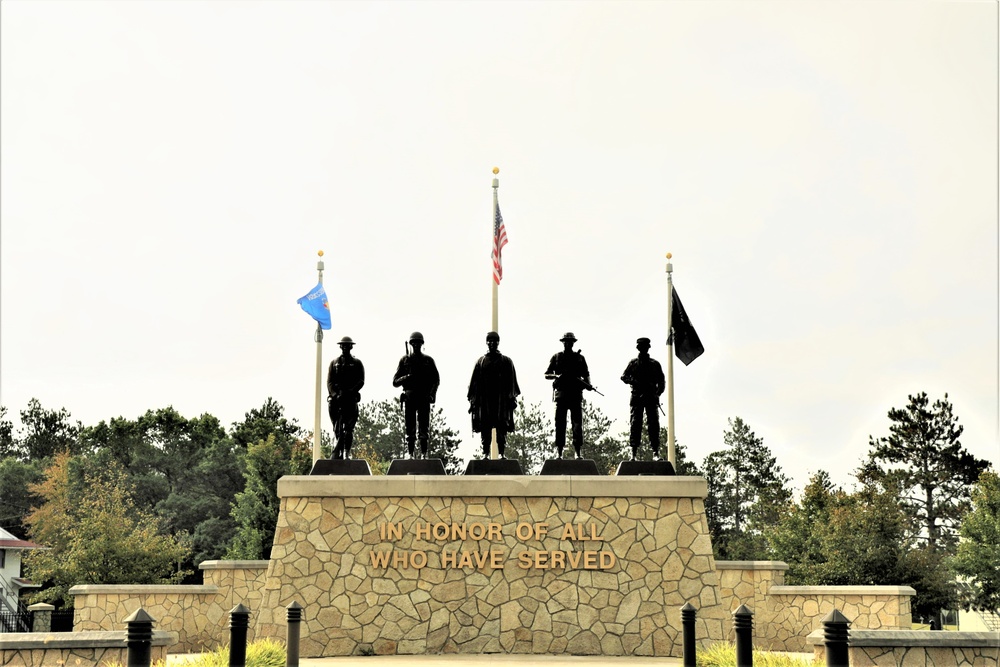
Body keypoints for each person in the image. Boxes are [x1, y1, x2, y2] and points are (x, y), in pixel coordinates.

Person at [468, 331, 521, 459]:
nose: (492, 343)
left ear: (498, 342)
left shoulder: (506, 361)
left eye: (495, 341)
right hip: (485, 400)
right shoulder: (480, 362)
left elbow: (512, 382)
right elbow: (473, 384)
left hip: (500, 401)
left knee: (501, 427)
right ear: (486, 343)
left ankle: (502, 453)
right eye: (490, 340)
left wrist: (511, 397)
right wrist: (473, 401)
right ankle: (485, 453)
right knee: (485, 428)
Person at [392, 331, 440, 459]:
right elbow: (395, 381)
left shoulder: (428, 361)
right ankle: (411, 453)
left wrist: (432, 394)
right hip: (410, 397)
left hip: (423, 396)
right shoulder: (405, 360)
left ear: (422, 344)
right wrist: (406, 377)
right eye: (414, 343)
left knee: (424, 427)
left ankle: (424, 453)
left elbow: (436, 380)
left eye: (418, 343)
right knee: (410, 427)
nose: (416, 345)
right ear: (411, 344)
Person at [544, 332, 592, 459]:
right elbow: (547, 374)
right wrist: (556, 376)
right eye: (566, 341)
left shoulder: (580, 358)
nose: (568, 343)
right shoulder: (556, 357)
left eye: (570, 342)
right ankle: (559, 452)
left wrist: (588, 384)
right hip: (561, 395)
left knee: (577, 425)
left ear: (573, 343)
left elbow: (586, 374)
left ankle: (577, 452)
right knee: (560, 424)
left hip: (575, 395)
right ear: (563, 342)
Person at [621, 337, 665, 461]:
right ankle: (633, 453)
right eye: (641, 347)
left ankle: (655, 452)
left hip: (650, 397)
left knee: (654, 425)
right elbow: (624, 376)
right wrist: (633, 382)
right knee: (635, 424)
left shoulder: (654, 364)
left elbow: (661, 381)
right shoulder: (633, 363)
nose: (643, 349)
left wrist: (657, 394)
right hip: (637, 397)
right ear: (638, 348)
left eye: (645, 347)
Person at [327, 336, 365, 460]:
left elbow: (361, 380)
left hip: (350, 399)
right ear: (340, 347)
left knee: (348, 429)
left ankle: (345, 452)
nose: (345, 348)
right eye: (343, 346)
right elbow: (330, 382)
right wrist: (335, 395)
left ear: (351, 347)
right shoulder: (334, 363)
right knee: (337, 428)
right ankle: (338, 451)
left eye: (347, 346)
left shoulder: (357, 363)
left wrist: (351, 392)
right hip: (337, 400)